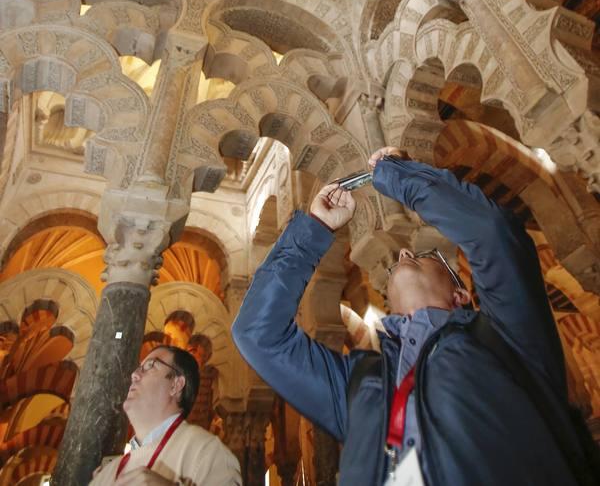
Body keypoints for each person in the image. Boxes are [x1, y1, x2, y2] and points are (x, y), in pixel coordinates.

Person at [232, 147, 596, 485]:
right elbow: (257, 335)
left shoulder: (506, 338)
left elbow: (492, 234)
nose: (404, 253)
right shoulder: (361, 384)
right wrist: (313, 230)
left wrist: (401, 175)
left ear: (460, 295)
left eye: (425, 257)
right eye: (408, 256)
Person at [90, 344, 241, 485]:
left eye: (150, 366)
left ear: (175, 385)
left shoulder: (207, 452)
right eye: (138, 368)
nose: (134, 375)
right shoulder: (108, 473)